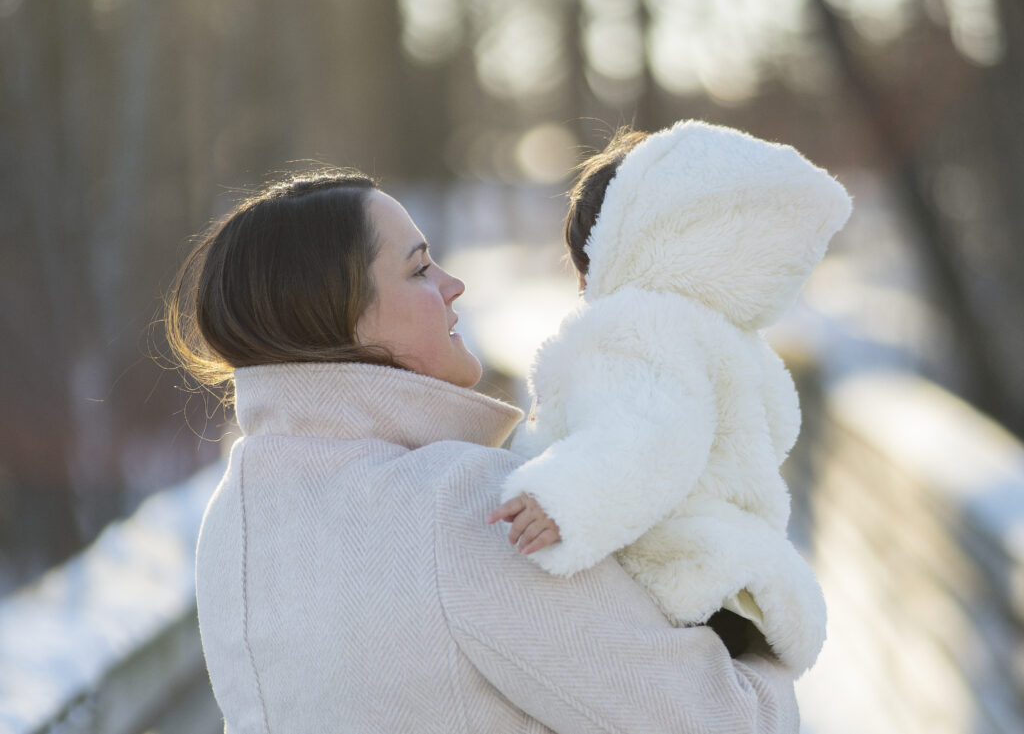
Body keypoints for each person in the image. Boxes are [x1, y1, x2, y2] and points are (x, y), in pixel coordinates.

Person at [166, 168, 800, 733]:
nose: (454, 284)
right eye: (418, 270)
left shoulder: (231, 526)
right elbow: (724, 721)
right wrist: (765, 645)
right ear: (340, 319)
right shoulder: (461, 506)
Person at [489, 121, 852, 675]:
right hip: (728, 589)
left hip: (666, 579)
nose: (586, 287)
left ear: (626, 242)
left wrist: (567, 496)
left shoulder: (636, 325)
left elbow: (651, 431)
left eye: (586, 262)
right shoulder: (729, 341)